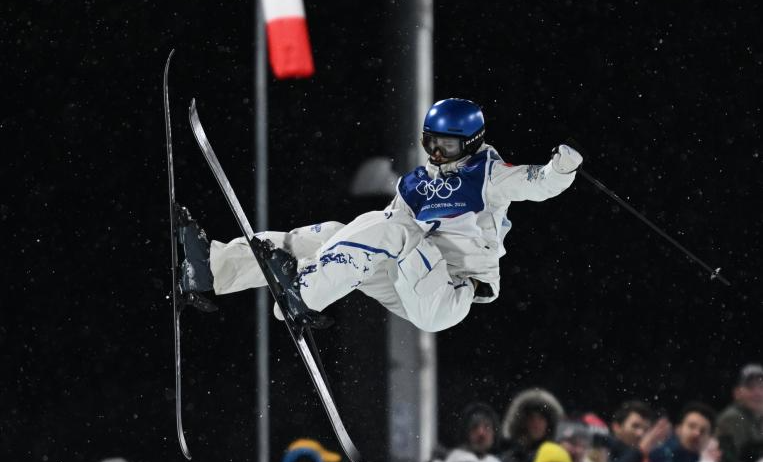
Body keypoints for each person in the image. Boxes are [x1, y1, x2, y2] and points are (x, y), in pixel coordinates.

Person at [176, 99, 582, 333]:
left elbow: (538, 183)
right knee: (335, 232)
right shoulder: (416, 183)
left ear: (471, 143)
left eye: (447, 146)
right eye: (430, 143)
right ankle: (212, 269)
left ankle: (305, 292)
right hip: (406, 280)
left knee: (395, 231)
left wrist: (562, 168)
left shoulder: (488, 174)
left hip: (447, 293)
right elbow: (374, 234)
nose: (437, 154)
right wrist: (326, 252)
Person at [607, 401, 672, 462]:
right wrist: (640, 451)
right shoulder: (602, 448)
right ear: (617, 427)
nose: (640, 433)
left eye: (646, 429)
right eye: (635, 426)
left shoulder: (649, 457)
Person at [715, 364, 763, 462]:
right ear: (737, 393)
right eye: (750, 387)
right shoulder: (731, 418)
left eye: (761, 387)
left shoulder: (759, 417)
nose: (758, 393)